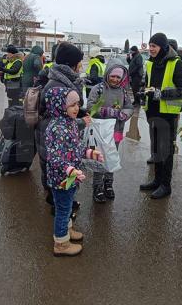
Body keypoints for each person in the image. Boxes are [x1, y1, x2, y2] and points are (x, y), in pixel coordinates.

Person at [44, 87, 102, 257]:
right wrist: (71, 170)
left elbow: (75, 149)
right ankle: (61, 243)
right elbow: (54, 157)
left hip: (71, 176)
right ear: (60, 106)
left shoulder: (69, 123)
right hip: (61, 178)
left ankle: (67, 230)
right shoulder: (56, 128)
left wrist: (91, 153)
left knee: (68, 205)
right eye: (71, 105)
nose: (76, 108)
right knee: (62, 209)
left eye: (77, 104)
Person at [37, 42, 89, 213]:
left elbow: (66, 107)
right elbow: (60, 118)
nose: (81, 65)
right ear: (70, 64)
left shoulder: (60, 78)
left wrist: (81, 112)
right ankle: (60, 213)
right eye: (79, 62)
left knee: (58, 172)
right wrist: (82, 121)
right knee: (59, 173)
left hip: (51, 133)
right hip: (56, 138)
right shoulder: (59, 84)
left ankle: (62, 204)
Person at [139, 33, 182, 199]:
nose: (151, 49)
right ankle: (157, 180)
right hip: (152, 111)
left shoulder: (176, 63)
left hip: (168, 114)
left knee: (165, 151)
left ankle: (165, 185)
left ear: (163, 47)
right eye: (150, 45)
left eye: (154, 46)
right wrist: (142, 92)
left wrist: (160, 94)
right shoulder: (150, 63)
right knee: (156, 150)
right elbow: (147, 84)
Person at [87, 59, 134, 203]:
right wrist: (109, 112)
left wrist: (124, 114)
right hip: (100, 132)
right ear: (107, 74)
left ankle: (108, 183)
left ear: (122, 78)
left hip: (116, 131)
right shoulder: (98, 89)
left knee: (112, 157)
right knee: (100, 158)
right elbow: (90, 107)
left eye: (118, 77)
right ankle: (97, 186)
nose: (115, 79)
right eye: (112, 76)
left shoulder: (124, 92)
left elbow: (130, 107)